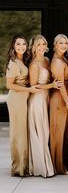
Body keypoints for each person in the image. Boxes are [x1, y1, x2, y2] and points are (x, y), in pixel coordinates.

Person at [28, 35, 63, 177]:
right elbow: (34, 86)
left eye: (43, 44)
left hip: (46, 99)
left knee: (46, 132)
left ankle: (47, 163)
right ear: (34, 48)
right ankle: (41, 167)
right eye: (38, 45)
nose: (42, 47)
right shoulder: (34, 64)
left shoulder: (47, 60)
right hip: (37, 101)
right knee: (41, 133)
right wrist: (52, 85)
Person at [6, 35, 39, 177]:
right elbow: (9, 85)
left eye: (23, 44)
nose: (21, 46)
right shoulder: (13, 63)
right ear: (13, 46)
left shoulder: (22, 60)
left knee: (23, 133)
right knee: (18, 133)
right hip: (16, 100)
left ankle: (24, 165)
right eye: (18, 44)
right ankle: (18, 168)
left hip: (22, 99)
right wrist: (29, 90)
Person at [49, 34, 68, 174]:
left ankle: (63, 163)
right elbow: (60, 84)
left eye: (66, 43)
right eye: (61, 43)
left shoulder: (62, 58)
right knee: (58, 132)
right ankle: (58, 166)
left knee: (64, 131)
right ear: (55, 45)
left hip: (64, 98)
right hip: (59, 99)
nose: (64, 45)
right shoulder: (57, 62)